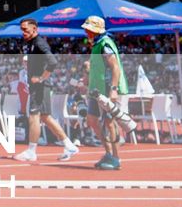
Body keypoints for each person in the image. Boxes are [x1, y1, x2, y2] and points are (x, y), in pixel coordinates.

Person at [15, 19, 78, 163]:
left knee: (34, 116)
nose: (23, 32)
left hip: (41, 87)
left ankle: (31, 151)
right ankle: (69, 145)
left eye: (26, 29)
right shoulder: (32, 44)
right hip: (39, 87)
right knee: (45, 117)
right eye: (22, 29)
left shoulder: (39, 43)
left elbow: (53, 62)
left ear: (34, 29)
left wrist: (42, 78)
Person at [83, 15, 133, 171]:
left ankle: (116, 157)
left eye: (88, 29)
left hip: (106, 89)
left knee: (109, 123)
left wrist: (113, 89)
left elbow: (115, 67)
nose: (86, 32)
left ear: (95, 30)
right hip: (96, 90)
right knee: (92, 120)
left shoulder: (105, 44)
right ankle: (109, 153)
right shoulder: (98, 44)